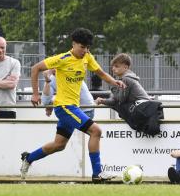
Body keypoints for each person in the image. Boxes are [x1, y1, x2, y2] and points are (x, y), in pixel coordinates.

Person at [20, 28, 125, 182]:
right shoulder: (62, 58)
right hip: (64, 107)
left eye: (88, 47)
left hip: (72, 107)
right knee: (96, 131)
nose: (85, 50)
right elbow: (35, 68)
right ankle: (97, 174)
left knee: (59, 145)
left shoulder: (87, 57)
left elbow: (101, 73)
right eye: (82, 47)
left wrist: (114, 81)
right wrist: (35, 94)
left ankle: (29, 158)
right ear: (74, 44)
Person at [95, 53, 162, 135]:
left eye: (116, 66)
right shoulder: (120, 79)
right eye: (112, 66)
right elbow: (114, 100)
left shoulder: (126, 79)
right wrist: (102, 101)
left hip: (142, 111)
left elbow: (121, 99)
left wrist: (113, 87)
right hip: (138, 111)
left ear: (125, 67)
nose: (113, 69)